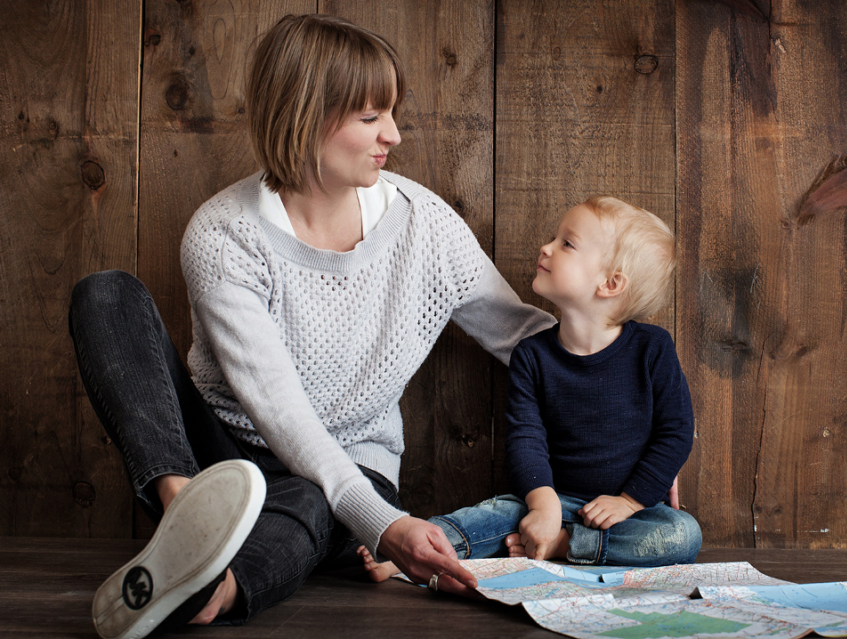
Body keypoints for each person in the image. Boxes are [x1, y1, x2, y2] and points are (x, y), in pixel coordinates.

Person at [68, 13, 555, 639]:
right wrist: (381, 527)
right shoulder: (223, 235)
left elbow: (522, 335)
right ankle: (185, 515)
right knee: (105, 295)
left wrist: (636, 413)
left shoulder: (423, 225)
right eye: (371, 116)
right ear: (306, 114)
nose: (394, 136)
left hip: (349, 468)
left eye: (391, 113)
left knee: (313, 498)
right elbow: (279, 410)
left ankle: (211, 589)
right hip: (219, 455)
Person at [363, 196, 700, 580]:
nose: (547, 247)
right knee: (491, 516)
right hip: (551, 497)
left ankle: (565, 546)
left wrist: (630, 501)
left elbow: (675, 432)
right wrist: (543, 506)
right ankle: (412, 552)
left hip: (627, 513)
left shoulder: (652, 349)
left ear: (610, 283)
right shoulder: (533, 356)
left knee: (682, 535)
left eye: (566, 244)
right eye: (555, 238)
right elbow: (526, 437)